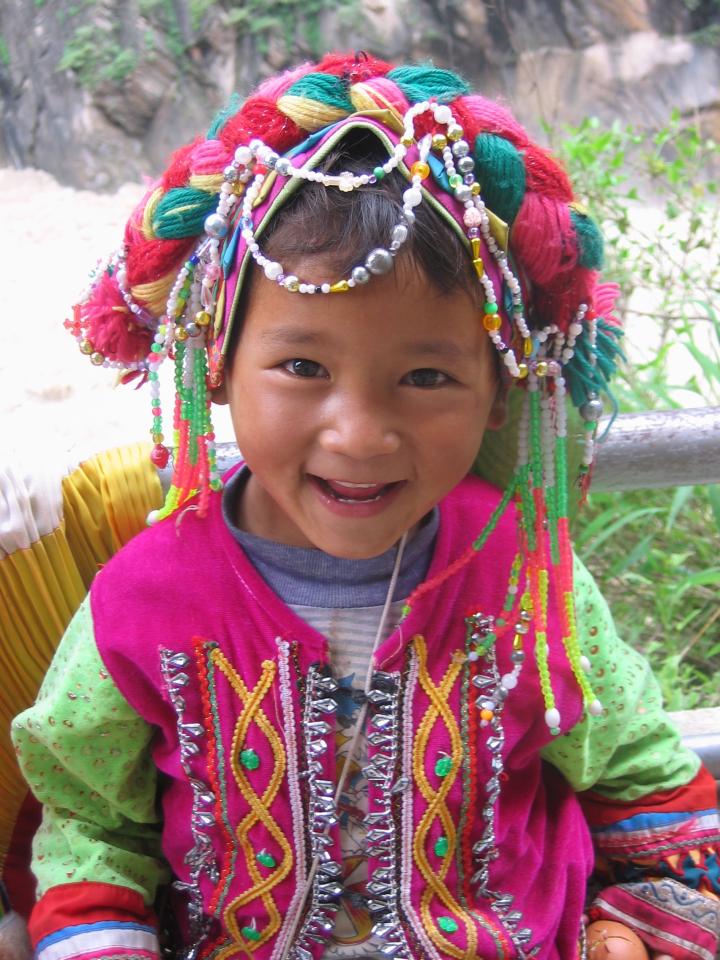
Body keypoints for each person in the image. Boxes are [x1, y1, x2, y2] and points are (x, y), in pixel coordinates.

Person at [10, 52, 720, 960]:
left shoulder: (524, 578)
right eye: (303, 367)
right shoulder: (141, 599)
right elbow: (92, 826)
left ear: (500, 392)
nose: (360, 435)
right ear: (217, 363)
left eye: (426, 377)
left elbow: (641, 776)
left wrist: (646, 917)